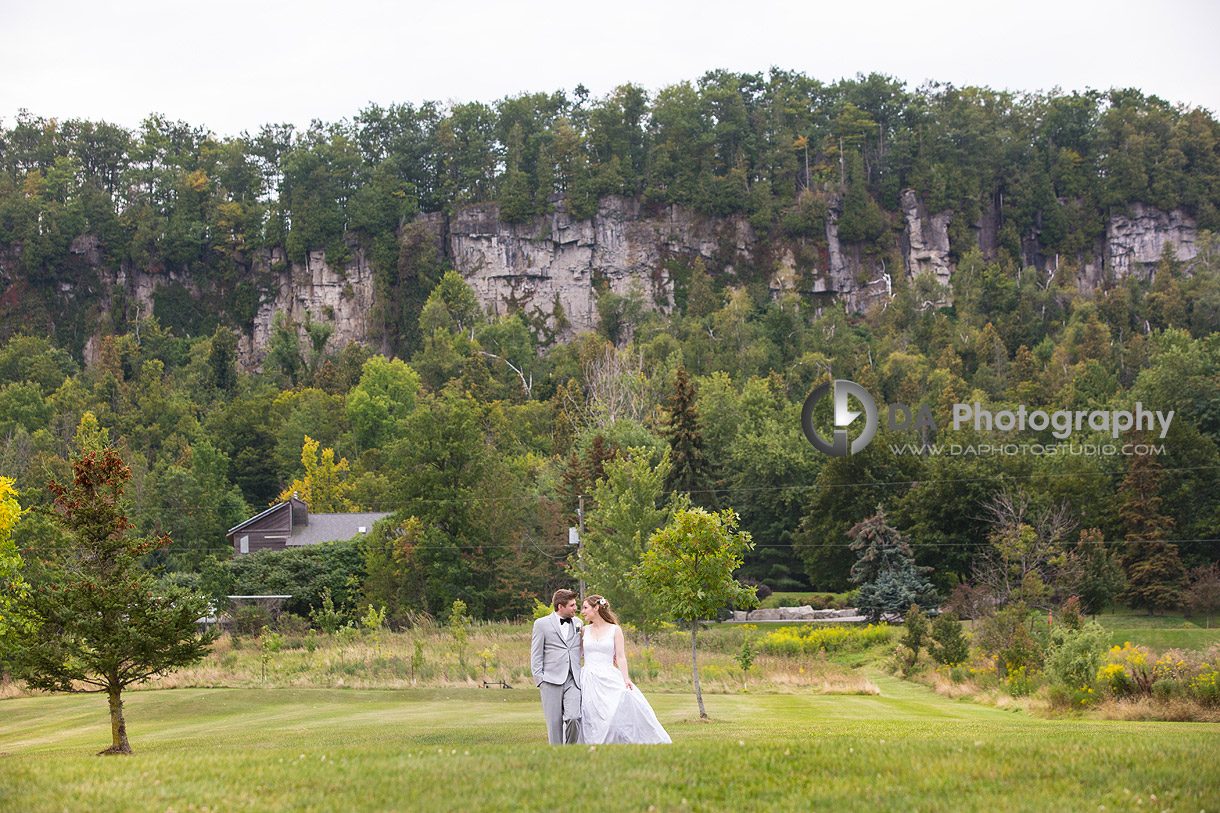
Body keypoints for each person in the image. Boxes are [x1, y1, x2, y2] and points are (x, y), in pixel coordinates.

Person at [579, 594, 672, 745]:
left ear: (596, 608)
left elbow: (621, 657)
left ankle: (618, 741)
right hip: (588, 677)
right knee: (589, 713)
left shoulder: (615, 630)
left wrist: (626, 678)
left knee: (618, 704)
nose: (582, 611)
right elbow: (577, 655)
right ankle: (591, 743)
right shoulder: (583, 630)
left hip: (608, 674)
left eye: (585, 608)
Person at [530, 588, 583, 745]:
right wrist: (540, 679)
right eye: (572, 605)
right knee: (554, 725)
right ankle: (557, 756)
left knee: (574, 717)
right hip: (550, 680)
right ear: (561, 607)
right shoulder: (541, 624)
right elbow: (536, 654)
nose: (576, 608)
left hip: (573, 680)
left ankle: (570, 750)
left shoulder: (579, 623)